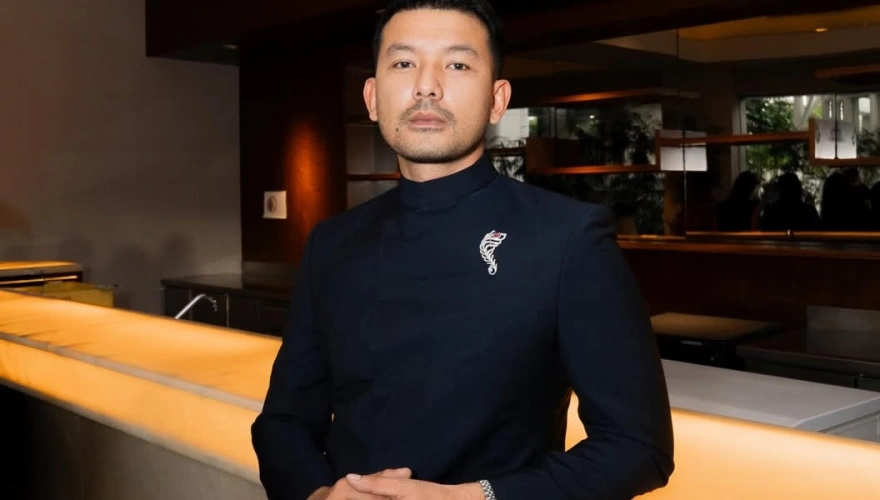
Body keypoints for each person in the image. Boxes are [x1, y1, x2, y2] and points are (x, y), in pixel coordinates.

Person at [251, 1, 675, 499]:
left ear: (497, 100)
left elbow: (637, 446)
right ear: (372, 97)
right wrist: (320, 495)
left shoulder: (567, 237)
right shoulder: (333, 243)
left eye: (456, 64)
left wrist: (469, 497)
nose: (426, 86)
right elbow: (283, 421)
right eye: (404, 62)